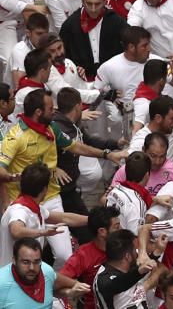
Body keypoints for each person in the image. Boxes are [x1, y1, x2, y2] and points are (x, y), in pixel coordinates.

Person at [0, 89, 123, 266]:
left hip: (50, 197)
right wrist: (13, 181)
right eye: (51, 108)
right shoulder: (15, 137)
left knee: (65, 256)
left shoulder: (51, 128)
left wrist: (107, 154)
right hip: (23, 201)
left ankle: (54, 288)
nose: (55, 111)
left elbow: (76, 147)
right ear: (38, 112)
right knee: (25, 257)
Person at [52, 87, 124, 229]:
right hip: (59, 191)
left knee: (82, 227)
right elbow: (78, 148)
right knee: (84, 230)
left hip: (70, 189)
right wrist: (54, 168)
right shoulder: (58, 129)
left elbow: (88, 140)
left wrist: (116, 143)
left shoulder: (73, 125)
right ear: (78, 106)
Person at [0, 163, 88, 267]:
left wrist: (92, 219)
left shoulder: (34, 207)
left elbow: (65, 218)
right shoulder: (19, 210)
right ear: (44, 189)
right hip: (13, 278)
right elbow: (16, 231)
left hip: (26, 274)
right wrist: (43, 232)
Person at [94, 26, 164, 138]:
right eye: (144, 46)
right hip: (122, 128)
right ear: (131, 47)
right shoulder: (109, 67)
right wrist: (110, 97)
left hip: (153, 124)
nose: (149, 49)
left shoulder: (158, 62)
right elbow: (95, 94)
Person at [60, 0, 127, 80]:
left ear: (105, 1)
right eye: (89, 4)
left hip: (113, 76)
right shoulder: (70, 25)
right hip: (81, 79)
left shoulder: (116, 22)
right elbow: (63, 55)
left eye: (97, 4)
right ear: (83, 1)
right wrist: (73, 68)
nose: (93, 9)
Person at [0, 238, 90, 309]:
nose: (32, 268)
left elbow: (53, 290)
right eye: (25, 262)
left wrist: (70, 291)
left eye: (36, 262)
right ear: (14, 260)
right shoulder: (2, 282)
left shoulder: (46, 270)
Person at [60, 206, 121, 309]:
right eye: (117, 227)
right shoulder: (83, 255)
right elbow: (59, 279)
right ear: (102, 231)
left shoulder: (124, 244)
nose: (121, 229)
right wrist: (74, 286)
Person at [93, 228, 166, 309]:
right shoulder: (103, 278)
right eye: (135, 250)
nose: (137, 253)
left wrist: (157, 252)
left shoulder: (127, 267)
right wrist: (139, 272)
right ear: (128, 256)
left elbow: (138, 269)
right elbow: (118, 283)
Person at [109, 131, 173, 198]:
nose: (157, 162)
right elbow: (106, 199)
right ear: (144, 150)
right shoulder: (128, 169)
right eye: (153, 156)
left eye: (162, 156)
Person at [39, 33, 101, 105]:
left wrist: (99, 85)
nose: (58, 54)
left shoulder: (68, 62)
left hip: (80, 107)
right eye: (52, 51)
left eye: (59, 48)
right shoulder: (47, 72)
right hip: (64, 113)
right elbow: (70, 95)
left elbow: (83, 87)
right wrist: (100, 93)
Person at [106, 151, 155, 234]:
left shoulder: (114, 191)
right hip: (123, 244)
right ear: (147, 175)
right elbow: (135, 239)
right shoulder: (137, 203)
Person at [133, 58, 173, 134]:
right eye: (166, 78)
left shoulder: (149, 97)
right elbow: (134, 132)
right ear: (162, 81)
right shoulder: (144, 105)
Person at [6, 11, 49, 89]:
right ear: (28, 33)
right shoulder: (19, 50)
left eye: (45, 34)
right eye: (39, 34)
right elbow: (20, 86)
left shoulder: (48, 46)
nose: (43, 38)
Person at [13, 48, 52, 121]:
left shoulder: (43, 86)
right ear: (42, 71)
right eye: (49, 68)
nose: (50, 71)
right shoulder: (25, 94)